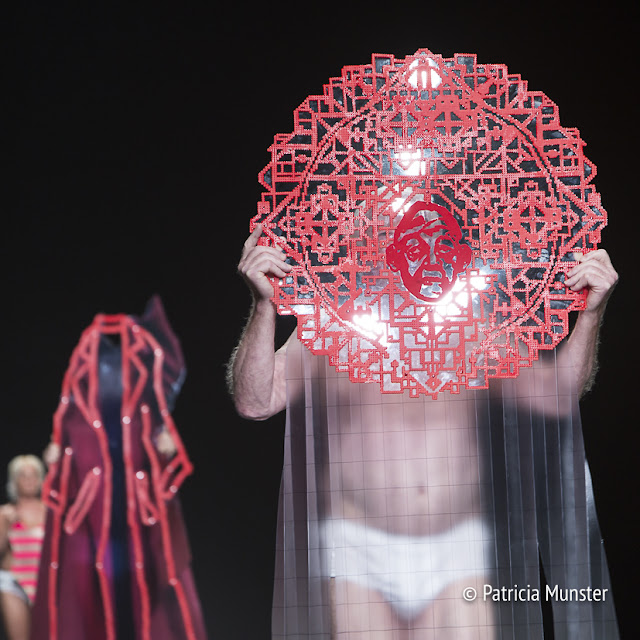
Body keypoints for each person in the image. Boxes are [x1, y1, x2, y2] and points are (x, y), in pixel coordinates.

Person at [229, 223, 619, 639]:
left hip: (457, 548)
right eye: (413, 244)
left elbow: (557, 396)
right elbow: (256, 401)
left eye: (441, 244)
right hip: (360, 546)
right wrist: (264, 305)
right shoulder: (338, 321)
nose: (428, 258)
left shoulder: (475, 324)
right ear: (386, 248)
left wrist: (592, 311)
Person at [30, 296, 207, 640]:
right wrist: (60, 448)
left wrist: (164, 438)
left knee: (152, 576)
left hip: (137, 490)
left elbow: (170, 371)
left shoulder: (144, 359)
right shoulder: (84, 361)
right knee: (87, 587)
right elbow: (68, 416)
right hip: (91, 493)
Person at [0, 455, 46, 640]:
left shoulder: (51, 512)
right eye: (23, 476)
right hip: (15, 582)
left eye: (34, 475)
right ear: (14, 481)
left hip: (45, 581)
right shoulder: (5, 513)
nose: (29, 480)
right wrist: (5, 526)